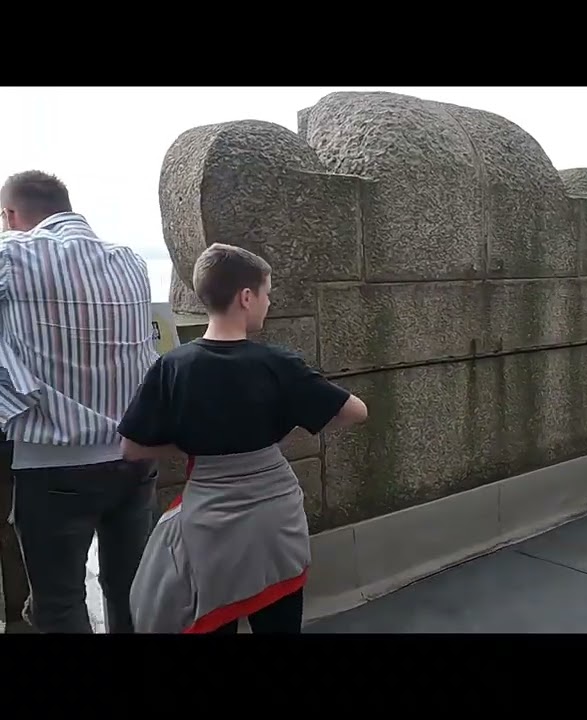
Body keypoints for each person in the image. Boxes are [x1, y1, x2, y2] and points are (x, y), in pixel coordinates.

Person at [117, 243, 368, 634]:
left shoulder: (172, 367)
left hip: (209, 528)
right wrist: (283, 432)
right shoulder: (278, 364)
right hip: (274, 525)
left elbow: (132, 448)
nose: (269, 303)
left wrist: (191, 444)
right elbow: (356, 411)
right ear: (246, 297)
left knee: (215, 612)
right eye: (267, 293)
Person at [0, 170, 159, 634]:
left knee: (60, 603)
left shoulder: (12, 255)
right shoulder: (130, 261)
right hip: (135, 457)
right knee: (129, 589)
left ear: (11, 215)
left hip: (53, 464)